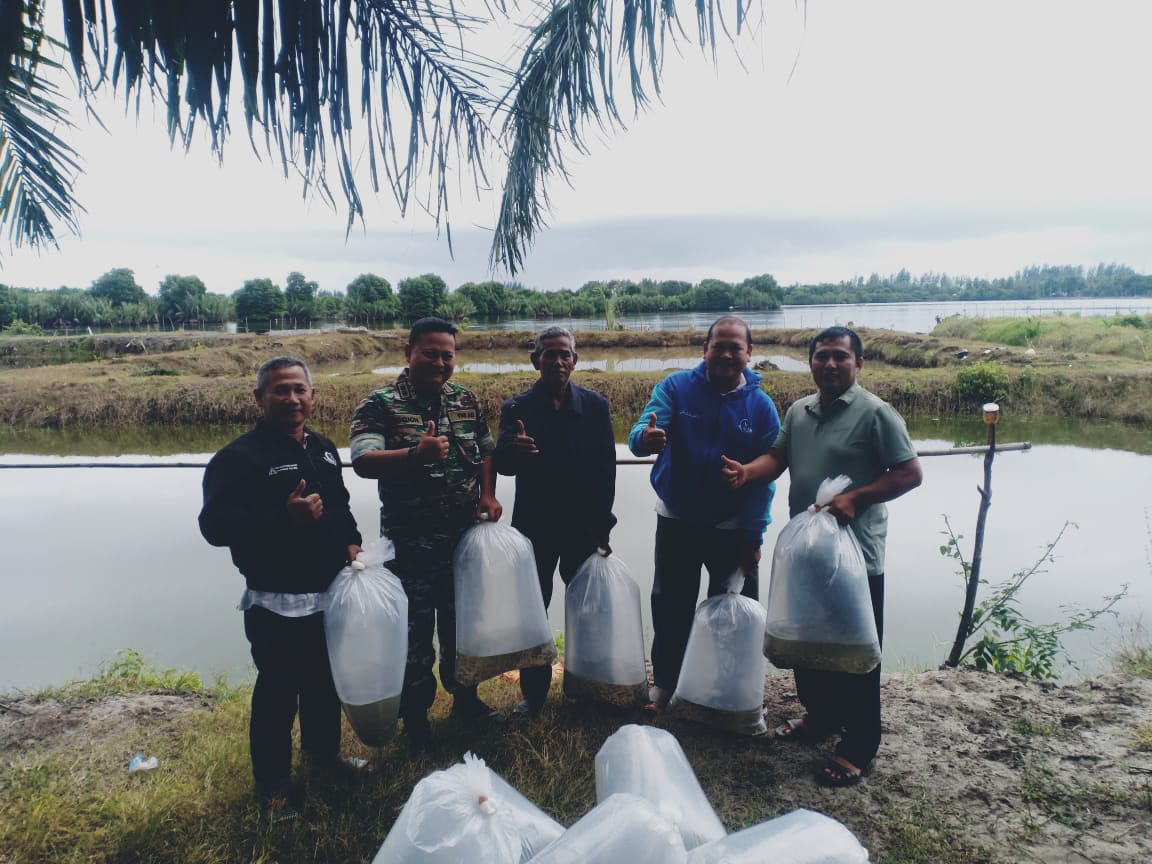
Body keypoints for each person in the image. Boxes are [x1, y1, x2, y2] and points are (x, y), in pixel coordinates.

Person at [721, 326, 923, 787]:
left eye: (840, 357)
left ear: (858, 364)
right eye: (821, 357)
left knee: (855, 652)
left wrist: (859, 497)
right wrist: (746, 472)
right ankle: (821, 717)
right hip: (807, 553)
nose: (830, 365)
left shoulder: (876, 413)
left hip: (855, 559)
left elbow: (909, 473)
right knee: (806, 643)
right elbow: (778, 457)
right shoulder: (799, 411)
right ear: (809, 361)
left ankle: (860, 743)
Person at [199, 356, 363, 821]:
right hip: (277, 600)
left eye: (299, 390)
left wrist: (352, 542)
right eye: (280, 390)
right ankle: (273, 785)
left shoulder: (326, 448)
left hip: (329, 592)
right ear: (259, 398)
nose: (291, 398)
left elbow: (341, 506)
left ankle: (323, 756)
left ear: (312, 397)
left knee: (324, 682)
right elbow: (214, 526)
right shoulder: (238, 458)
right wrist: (281, 519)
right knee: (278, 692)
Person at [349, 317, 503, 749]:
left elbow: (486, 452)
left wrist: (488, 495)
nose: (439, 362)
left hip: (462, 542)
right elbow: (363, 461)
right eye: (430, 353)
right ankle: (415, 719)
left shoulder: (465, 399)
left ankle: (466, 700)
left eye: (447, 355)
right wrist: (414, 454)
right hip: (410, 545)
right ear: (408, 353)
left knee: (463, 626)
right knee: (414, 637)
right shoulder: (379, 403)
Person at [627, 315, 780, 712]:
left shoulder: (762, 407)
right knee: (670, 605)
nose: (727, 354)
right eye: (719, 346)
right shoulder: (676, 387)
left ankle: (730, 692)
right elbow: (639, 433)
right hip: (677, 519)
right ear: (705, 350)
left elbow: (767, 476)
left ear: (749, 353)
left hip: (733, 528)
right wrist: (646, 438)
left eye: (736, 348)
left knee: (734, 612)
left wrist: (754, 536)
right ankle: (666, 685)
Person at [494, 326, 617, 717]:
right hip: (535, 526)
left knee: (588, 609)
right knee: (534, 609)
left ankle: (586, 685)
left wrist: (604, 524)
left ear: (575, 361)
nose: (559, 361)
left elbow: (606, 470)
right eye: (550, 354)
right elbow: (502, 466)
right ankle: (534, 694)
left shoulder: (596, 406)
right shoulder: (517, 409)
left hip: (583, 526)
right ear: (536, 361)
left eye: (565, 354)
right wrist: (515, 452)